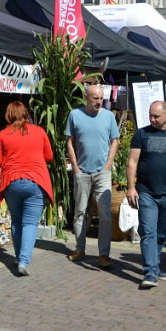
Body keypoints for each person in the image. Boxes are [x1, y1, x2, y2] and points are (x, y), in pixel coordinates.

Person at [126, 101, 166, 289]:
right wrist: (131, 187)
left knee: (162, 233)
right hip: (146, 192)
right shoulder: (141, 134)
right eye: (150, 115)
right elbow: (132, 162)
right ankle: (150, 272)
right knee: (148, 232)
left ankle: (155, 264)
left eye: (156, 116)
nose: (152, 119)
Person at [0, 101, 53, 276]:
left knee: (17, 221)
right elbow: (49, 156)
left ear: (9, 115)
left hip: (12, 181)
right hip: (36, 181)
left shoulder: (3, 134)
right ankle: (23, 261)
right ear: (26, 113)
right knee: (30, 223)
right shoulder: (40, 132)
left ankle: (19, 257)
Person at [65, 83, 120, 268]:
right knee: (80, 211)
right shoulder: (75, 115)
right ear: (86, 97)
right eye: (95, 98)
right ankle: (80, 248)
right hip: (82, 171)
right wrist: (75, 167)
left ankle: (103, 254)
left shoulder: (108, 116)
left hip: (102, 172)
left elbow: (115, 141)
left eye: (101, 98)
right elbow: (70, 142)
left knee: (105, 213)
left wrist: (108, 165)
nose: (99, 102)